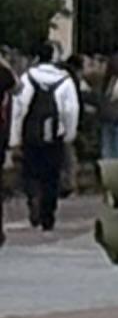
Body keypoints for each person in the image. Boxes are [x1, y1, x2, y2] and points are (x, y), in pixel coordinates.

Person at [10, 46, 80, 233]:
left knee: (31, 172)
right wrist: (69, 134)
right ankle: (48, 214)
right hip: (54, 136)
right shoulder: (65, 80)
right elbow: (71, 110)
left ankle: (33, 197)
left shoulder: (28, 78)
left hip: (31, 135)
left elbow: (19, 108)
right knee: (52, 176)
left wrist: (15, 137)